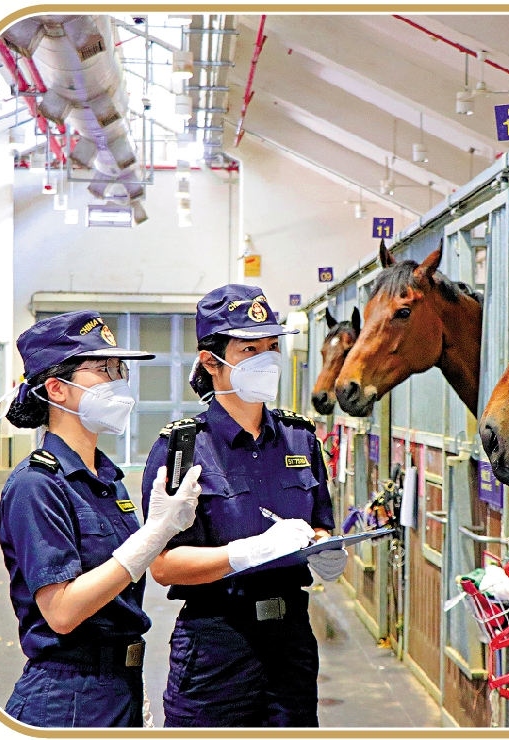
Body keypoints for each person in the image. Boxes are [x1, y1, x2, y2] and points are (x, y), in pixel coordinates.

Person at [142, 285, 348, 727]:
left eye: (273, 347)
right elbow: (162, 565)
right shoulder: (182, 449)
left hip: (291, 639)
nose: (267, 360)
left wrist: (327, 549)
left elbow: (320, 525)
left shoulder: (300, 438)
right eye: (250, 348)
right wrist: (248, 552)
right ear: (211, 361)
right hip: (216, 644)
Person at [0, 310, 203, 728]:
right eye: (103, 368)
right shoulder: (36, 485)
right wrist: (157, 534)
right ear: (57, 389)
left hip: (119, 683)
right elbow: (62, 611)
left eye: (120, 368)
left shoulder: (106, 477)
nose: (119, 381)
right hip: (68, 695)